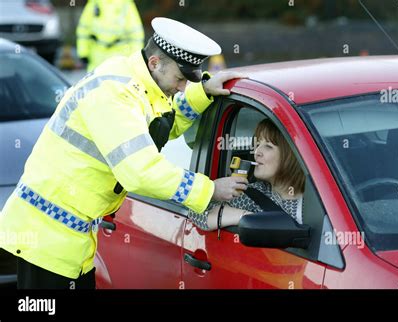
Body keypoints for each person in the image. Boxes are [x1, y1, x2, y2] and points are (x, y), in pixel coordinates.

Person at [0, 17, 248, 289]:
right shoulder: (115, 94)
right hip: (46, 240)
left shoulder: (142, 83)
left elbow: (160, 128)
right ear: (155, 63)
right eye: (179, 79)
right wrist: (209, 190)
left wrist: (201, 94)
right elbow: (140, 171)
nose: (181, 88)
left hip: (69, 240)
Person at [188, 119, 305, 231]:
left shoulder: (317, 195)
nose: (256, 152)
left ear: (292, 155)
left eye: (268, 146)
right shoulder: (252, 194)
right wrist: (246, 216)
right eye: (258, 144)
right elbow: (196, 211)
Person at [76, 0, 145, 71]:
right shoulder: (94, 3)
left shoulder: (126, 4)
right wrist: (83, 53)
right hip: (95, 60)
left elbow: (136, 35)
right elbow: (83, 30)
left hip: (119, 61)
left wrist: (135, 58)